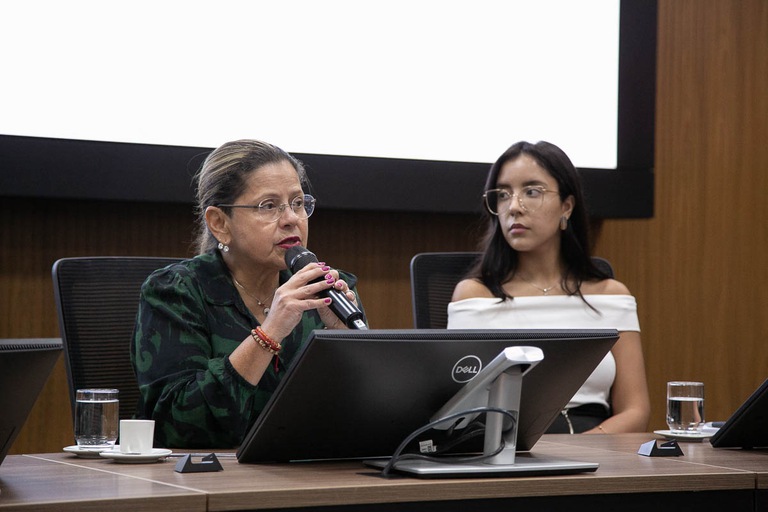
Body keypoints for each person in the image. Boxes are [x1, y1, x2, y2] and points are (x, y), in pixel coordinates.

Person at [130, 139, 366, 448]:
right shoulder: (176, 293)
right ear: (219, 223)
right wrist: (270, 332)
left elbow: (368, 416)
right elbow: (174, 424)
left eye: (297, 203)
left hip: (307, 476)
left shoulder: (325, 292)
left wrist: (345, 340)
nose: (291, 218)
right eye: (269, 206)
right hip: (208, 480)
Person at [447, 141, 649, 434]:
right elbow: (459, 407)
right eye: (503, 195)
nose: (514, 207)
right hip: (503, 447)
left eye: (532, 192)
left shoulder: (611, 295)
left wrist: (581, 450)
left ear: (566, 206)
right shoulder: (475, 296)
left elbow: (636, 411)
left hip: (597, 450)